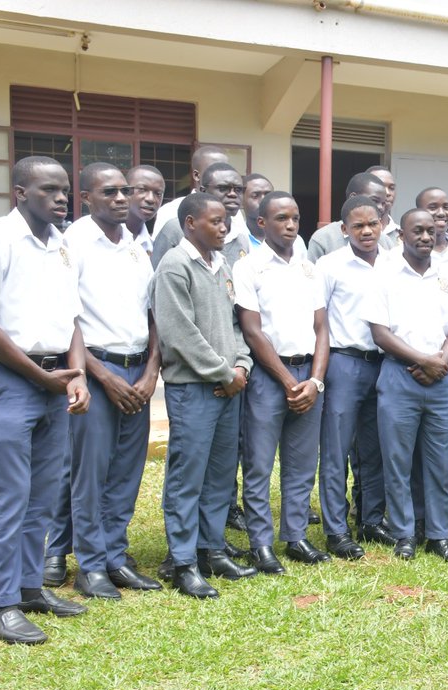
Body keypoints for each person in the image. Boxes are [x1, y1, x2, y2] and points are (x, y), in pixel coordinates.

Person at [0, 155, 90, 644]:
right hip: (10, 378)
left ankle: (31, 587)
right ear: (19, 193)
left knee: (43, 493)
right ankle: (2, 605)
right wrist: (41, 376)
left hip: (55, 376)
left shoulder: (62, 244)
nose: (61, 197)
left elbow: (73, 318)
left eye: (64, 190)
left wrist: (74, 375)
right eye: (48, 190)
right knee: (12, 494)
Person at [63, 163, 163, 600]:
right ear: (87, 197)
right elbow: (66, 318)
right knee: (91, 474)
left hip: (137, 372)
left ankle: (116, 558)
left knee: (126, 471)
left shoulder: (138, 248)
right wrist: (100, 376)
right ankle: (90, 566)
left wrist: (151, 372)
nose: (122, 198)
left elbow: (154, 315)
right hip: (97, 371)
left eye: (125, 190)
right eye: (110, 192)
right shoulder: (73, 244)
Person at [152, 192, 257, 598]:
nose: (224, 228)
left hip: (229, 385)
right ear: (190, 223)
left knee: (218, 477)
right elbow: (179, 334)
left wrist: (242, 365)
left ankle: (212, 550)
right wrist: (222, 372)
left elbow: (234, 325)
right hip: (194, 389)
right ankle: (182, 562)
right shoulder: (175, 266)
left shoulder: (222, 264)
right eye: (215, 221)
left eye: (226, 221)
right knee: (186, 477)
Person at [234, 191, 330, 573]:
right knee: (259, 464)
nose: (290, 225)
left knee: (302, 463)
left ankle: (296, 537)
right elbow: (253, 332)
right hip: (270, 378)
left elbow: (322, 328)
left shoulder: (309, 267)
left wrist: (316, 380)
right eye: (280, 218)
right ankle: (261, 544)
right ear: (261, 223)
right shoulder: (249, 267)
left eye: (295, 218)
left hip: (309, 376)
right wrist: (291, 382)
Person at [362, 208, 448, 563]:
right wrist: (422, 361)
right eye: (417, 231)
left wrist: (439, 363)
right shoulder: (384, 273)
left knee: (440, 461)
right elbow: (379, 333)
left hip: (440, 379)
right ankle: (404, 533)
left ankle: (438, 535)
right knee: (398, 460)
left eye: (430, 231)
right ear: (401, 235)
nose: (425, 236)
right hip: (398, 376)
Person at [318, 196, 393, 559]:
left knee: (374, 447)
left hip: (384, 363)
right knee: (336, 450)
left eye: (373, 224)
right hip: (344, 364)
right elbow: (318, 322)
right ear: (344, 229)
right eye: (358, 225)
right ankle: (336, 529)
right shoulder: (329, 265)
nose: (367, 231)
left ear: (382, 225)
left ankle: (371, 519)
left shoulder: (394, 263)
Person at [151, 163, 249, 269]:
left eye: (238, 190)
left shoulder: (241, 235)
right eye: (223, 188)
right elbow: (159, 277)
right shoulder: (177, 228)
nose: (233, 194)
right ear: (203, 191)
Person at [306, 171, 388, 262]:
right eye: (374, 200)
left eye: (383, 203)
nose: (381, 207)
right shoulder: (324, 239)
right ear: (344, 229)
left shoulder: (384, 241)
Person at [152, 144, 230, 232]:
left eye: (225, 170)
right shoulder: (171, 211)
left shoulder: (233, 213)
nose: (222, 176)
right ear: (196, 175)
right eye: (214, 171)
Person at [125, 164, 165, 258]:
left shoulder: (153, 248)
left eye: (158, 193)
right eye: (142, 190)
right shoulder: (96, 235)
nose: (151, 199)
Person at [367, 165, 401, 250]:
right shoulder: (331, 234)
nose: (387, 193)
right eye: (380, 186)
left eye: (391, 188)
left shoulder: (404, 235)